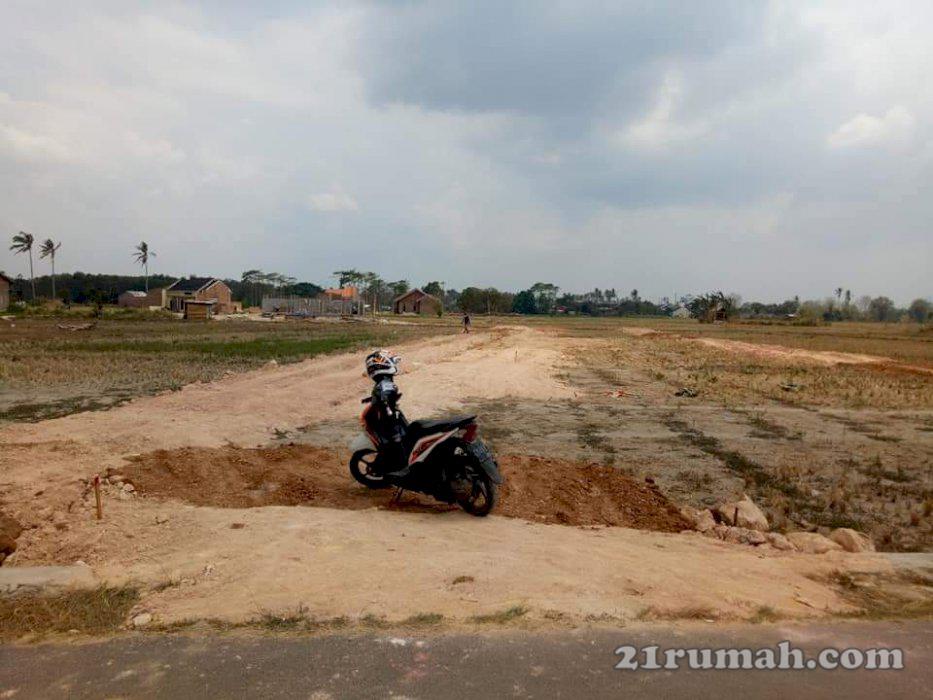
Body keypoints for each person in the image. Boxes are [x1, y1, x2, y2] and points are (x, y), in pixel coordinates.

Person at [364, 349, 409, 477]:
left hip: (389, 419)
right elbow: (385, 396)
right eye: (393, 362)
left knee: (397, 439)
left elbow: (384, 395)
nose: (396, 365)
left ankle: (402, 467)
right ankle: (402, 469)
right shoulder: (386, 383)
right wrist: (385, 404)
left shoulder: (384, 382)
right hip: (390, 421)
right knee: (396, 440)